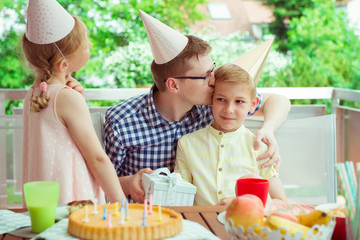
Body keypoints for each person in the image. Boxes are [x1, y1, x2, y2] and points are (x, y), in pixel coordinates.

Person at [104, 10, 291, 203]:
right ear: (174, 85)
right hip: (142, 220)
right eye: (205, 76)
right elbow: (96, 179)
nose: (213, 80)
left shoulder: (215, 105)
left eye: (213, 70)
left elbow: (278, 101)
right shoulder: (121, 121)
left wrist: (268, 129)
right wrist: (130, 182)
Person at [22, 0, 125, 205]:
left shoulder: (32, 95)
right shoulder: (67, 98)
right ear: (63, 64)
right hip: (74, 205)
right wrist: (121, 202)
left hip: (42, 204)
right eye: (85, 44)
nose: (90, 45)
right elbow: (97, 159)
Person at [174, 63, 287, 206]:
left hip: (246, 226)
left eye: (239, 101)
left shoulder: (260, 148)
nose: (229, 110)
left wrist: (249, 204)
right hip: (201, 224)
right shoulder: (187, 144)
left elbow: (281, 201)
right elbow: (179, 198)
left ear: (253, 104)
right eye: (221, 99)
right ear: (211, 100)